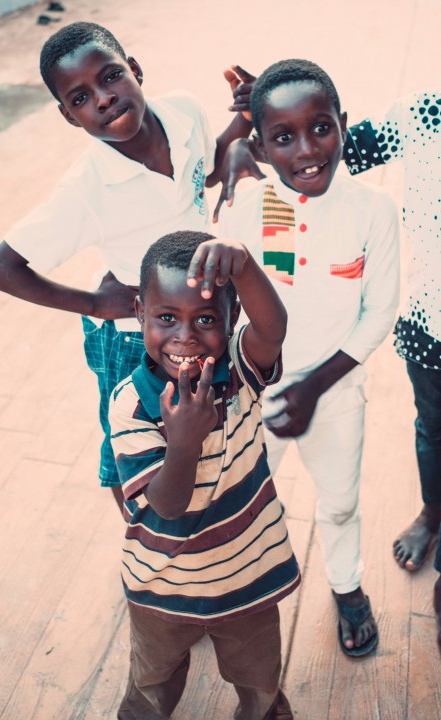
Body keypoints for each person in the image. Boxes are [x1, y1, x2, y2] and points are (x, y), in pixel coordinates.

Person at [0, 21, 254, 511]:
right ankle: (141, 535)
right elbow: (1, 267)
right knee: (133, 442)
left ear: (136, 71)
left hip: (201, 316)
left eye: (109, 77)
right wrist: (94, 304)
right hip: (132, 335)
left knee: (198, 424)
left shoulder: (184, 111)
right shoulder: (87, 189)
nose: (102, 99)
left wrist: (243, 122)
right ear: (69, 117)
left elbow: (204, 170)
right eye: (81, 98)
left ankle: (204, 524)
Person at [216, 59, 400, 657]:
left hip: (335, 388)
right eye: (284, 137)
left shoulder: (372, 210)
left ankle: (347, 587)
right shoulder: (250, 207)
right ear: (262, 148)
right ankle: (230, 590)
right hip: (254, 389)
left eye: (321, 128)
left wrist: (315, 387)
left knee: (341, 500)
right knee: (240, 495)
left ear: (344, 124)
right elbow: (224, 297)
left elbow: (378, 313)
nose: (307, 151)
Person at [109, 230, 300, 720]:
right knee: (152, 686)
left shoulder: (238, 370)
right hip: (163, 584)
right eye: (166, 318)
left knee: (259, 680)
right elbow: (167, 506)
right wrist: (185, 441)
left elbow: (273, 328)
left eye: (206, 319)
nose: (185, 336)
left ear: (231, 320)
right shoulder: (131, 405)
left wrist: (245, 267)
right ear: (139, 312)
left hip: (246, 575)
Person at [343, 90, 441, 651]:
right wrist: (261, 115)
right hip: (431, 326)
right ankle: (432, 512)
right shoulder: (428, 113)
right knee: (433, 428)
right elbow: (335, 151)